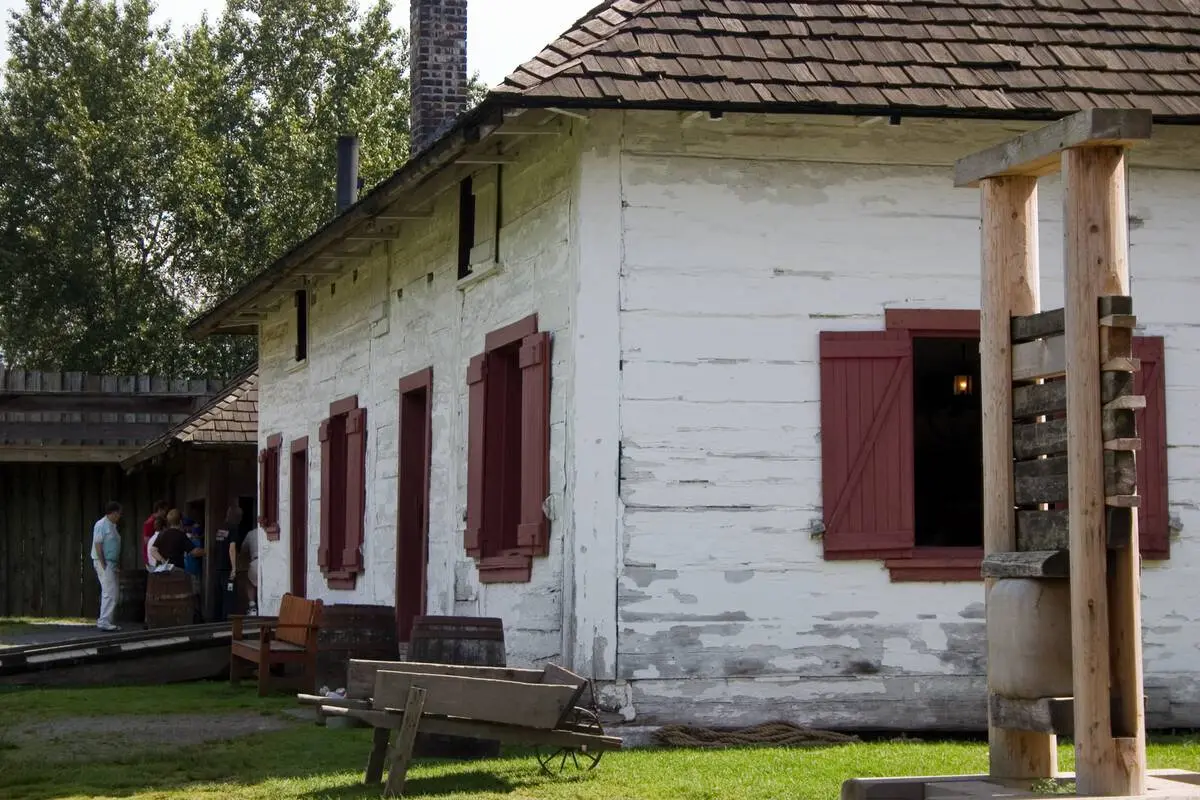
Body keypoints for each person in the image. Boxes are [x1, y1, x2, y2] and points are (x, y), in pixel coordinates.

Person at [91, 501, 123, 632]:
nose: (119, 516)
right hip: (104, 562)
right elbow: (98, 544)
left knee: (113, 592)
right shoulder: (101, 524)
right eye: (119, 513)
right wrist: (103, 563)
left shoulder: (113, 526)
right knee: (109, 591)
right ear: (113, 513)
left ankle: (107, 620)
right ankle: (104, 620)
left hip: (111, 563)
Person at [214, 505, 244, 621]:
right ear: (236, 517)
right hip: (227, 569)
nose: (241, 519)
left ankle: (217, 623)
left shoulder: (220, 528)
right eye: (240, 517)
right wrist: (234, 568)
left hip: (217, 568)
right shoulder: (233, 529)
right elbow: (232, 548)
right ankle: (227, 626)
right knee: (229, 599)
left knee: (219, 598)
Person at [142, 500, 168, 567]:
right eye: (164, 510)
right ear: (159, 510)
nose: (165, 513)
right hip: (152, 556)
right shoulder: (149, 522)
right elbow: (146, 541)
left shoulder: (158, 521)